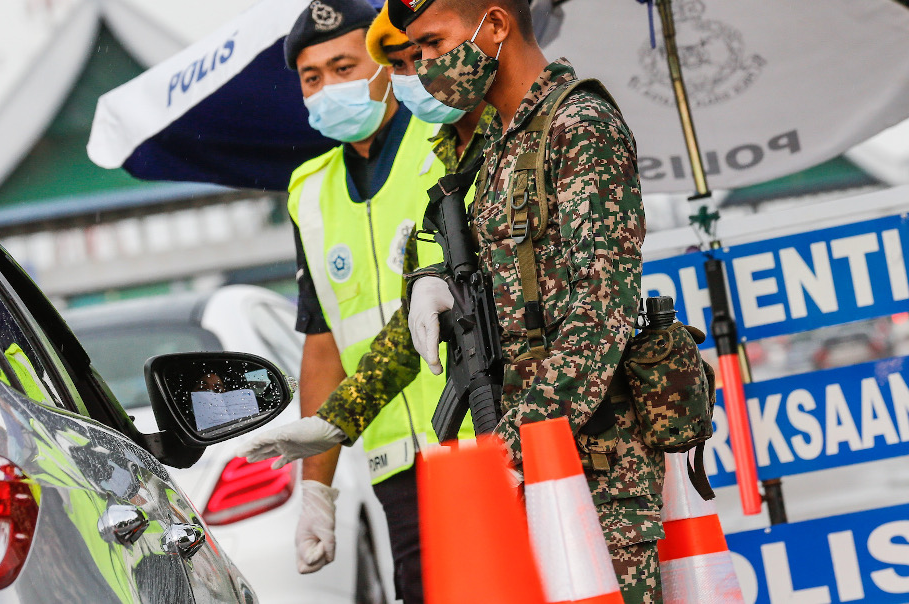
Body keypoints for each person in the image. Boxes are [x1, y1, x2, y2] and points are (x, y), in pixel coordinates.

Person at [387, 0, 664, 599]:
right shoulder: (498, 146)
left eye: (433, 44)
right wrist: (432, 281)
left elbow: (598, 318)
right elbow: (506, 275)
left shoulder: (581, 127)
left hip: (594, 479)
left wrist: (507, 452)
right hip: (528, 467)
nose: (424, 66)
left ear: (494, 26)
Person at [242, 1, 474, 600]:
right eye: (311, 78)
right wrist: (316, 492)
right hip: (394, 464)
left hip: (483, 435)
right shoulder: (308, 194)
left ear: (380, 64)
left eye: (343, 67)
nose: (327, 88)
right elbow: (323, 347)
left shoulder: (447, 137)